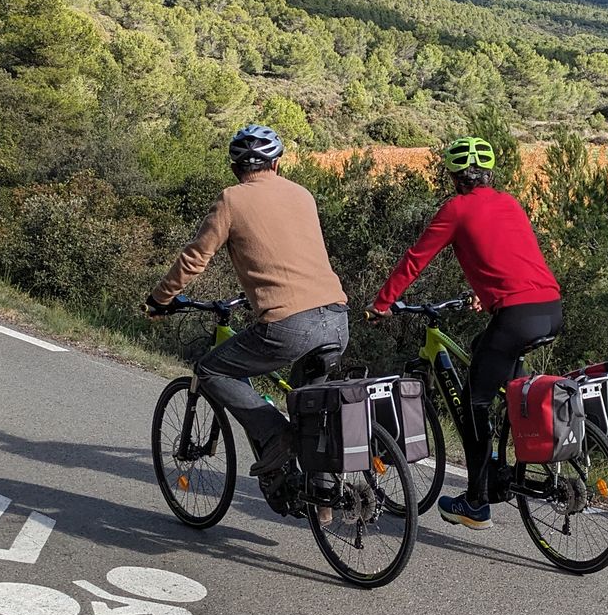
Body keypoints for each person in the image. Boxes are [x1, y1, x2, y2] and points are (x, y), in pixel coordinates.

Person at [370, 136, 562, 530]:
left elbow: (415, 260)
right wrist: (485, 292)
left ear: (455, 177)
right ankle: (506, 461)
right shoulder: (509, 202)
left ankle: (476, 502)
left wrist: (383, 302)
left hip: (515, 316)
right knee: (484, 354)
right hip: (550, 309)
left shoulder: (456, 209)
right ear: (489, 173)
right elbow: (508, 254)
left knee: (474, 404)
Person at [145, 125, 348, 490]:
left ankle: (274, 436)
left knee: (210, 370)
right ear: (276, 164)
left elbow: (194, 259)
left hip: (288, 325)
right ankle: (323, 493)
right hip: (336, 318)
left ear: (236, 168)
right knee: (311, 407)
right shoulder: (302, 194)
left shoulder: (231, 200)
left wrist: (160, 298)